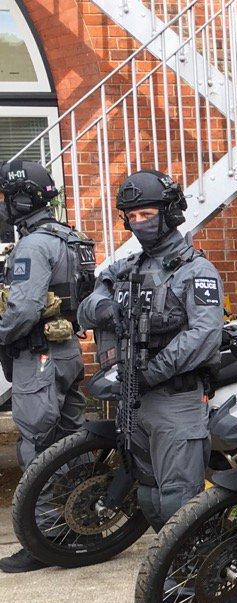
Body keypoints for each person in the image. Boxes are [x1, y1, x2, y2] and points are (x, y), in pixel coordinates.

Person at [78, 170, 222, 530]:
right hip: (135, 399)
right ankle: (170, 571)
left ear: (170, 213)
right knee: (148, 493)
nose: (140, 223)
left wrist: (151, 372)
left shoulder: (196, 270)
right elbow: (88, 303)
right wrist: (103, 308)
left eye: (148, 214)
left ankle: (189, 575)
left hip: (175, 399)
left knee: (178, 497)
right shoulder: (126, 268)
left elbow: (204, 335)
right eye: (133, 217)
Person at [0, 159, 89, 573]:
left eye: (5, 196)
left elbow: (23, 310)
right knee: (70, 443)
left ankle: (44, 540)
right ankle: (78, 526)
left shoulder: (34, 245)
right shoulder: (71, 237)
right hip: (66, 351)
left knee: (38, 447)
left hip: (38, 359)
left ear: (22, 198)